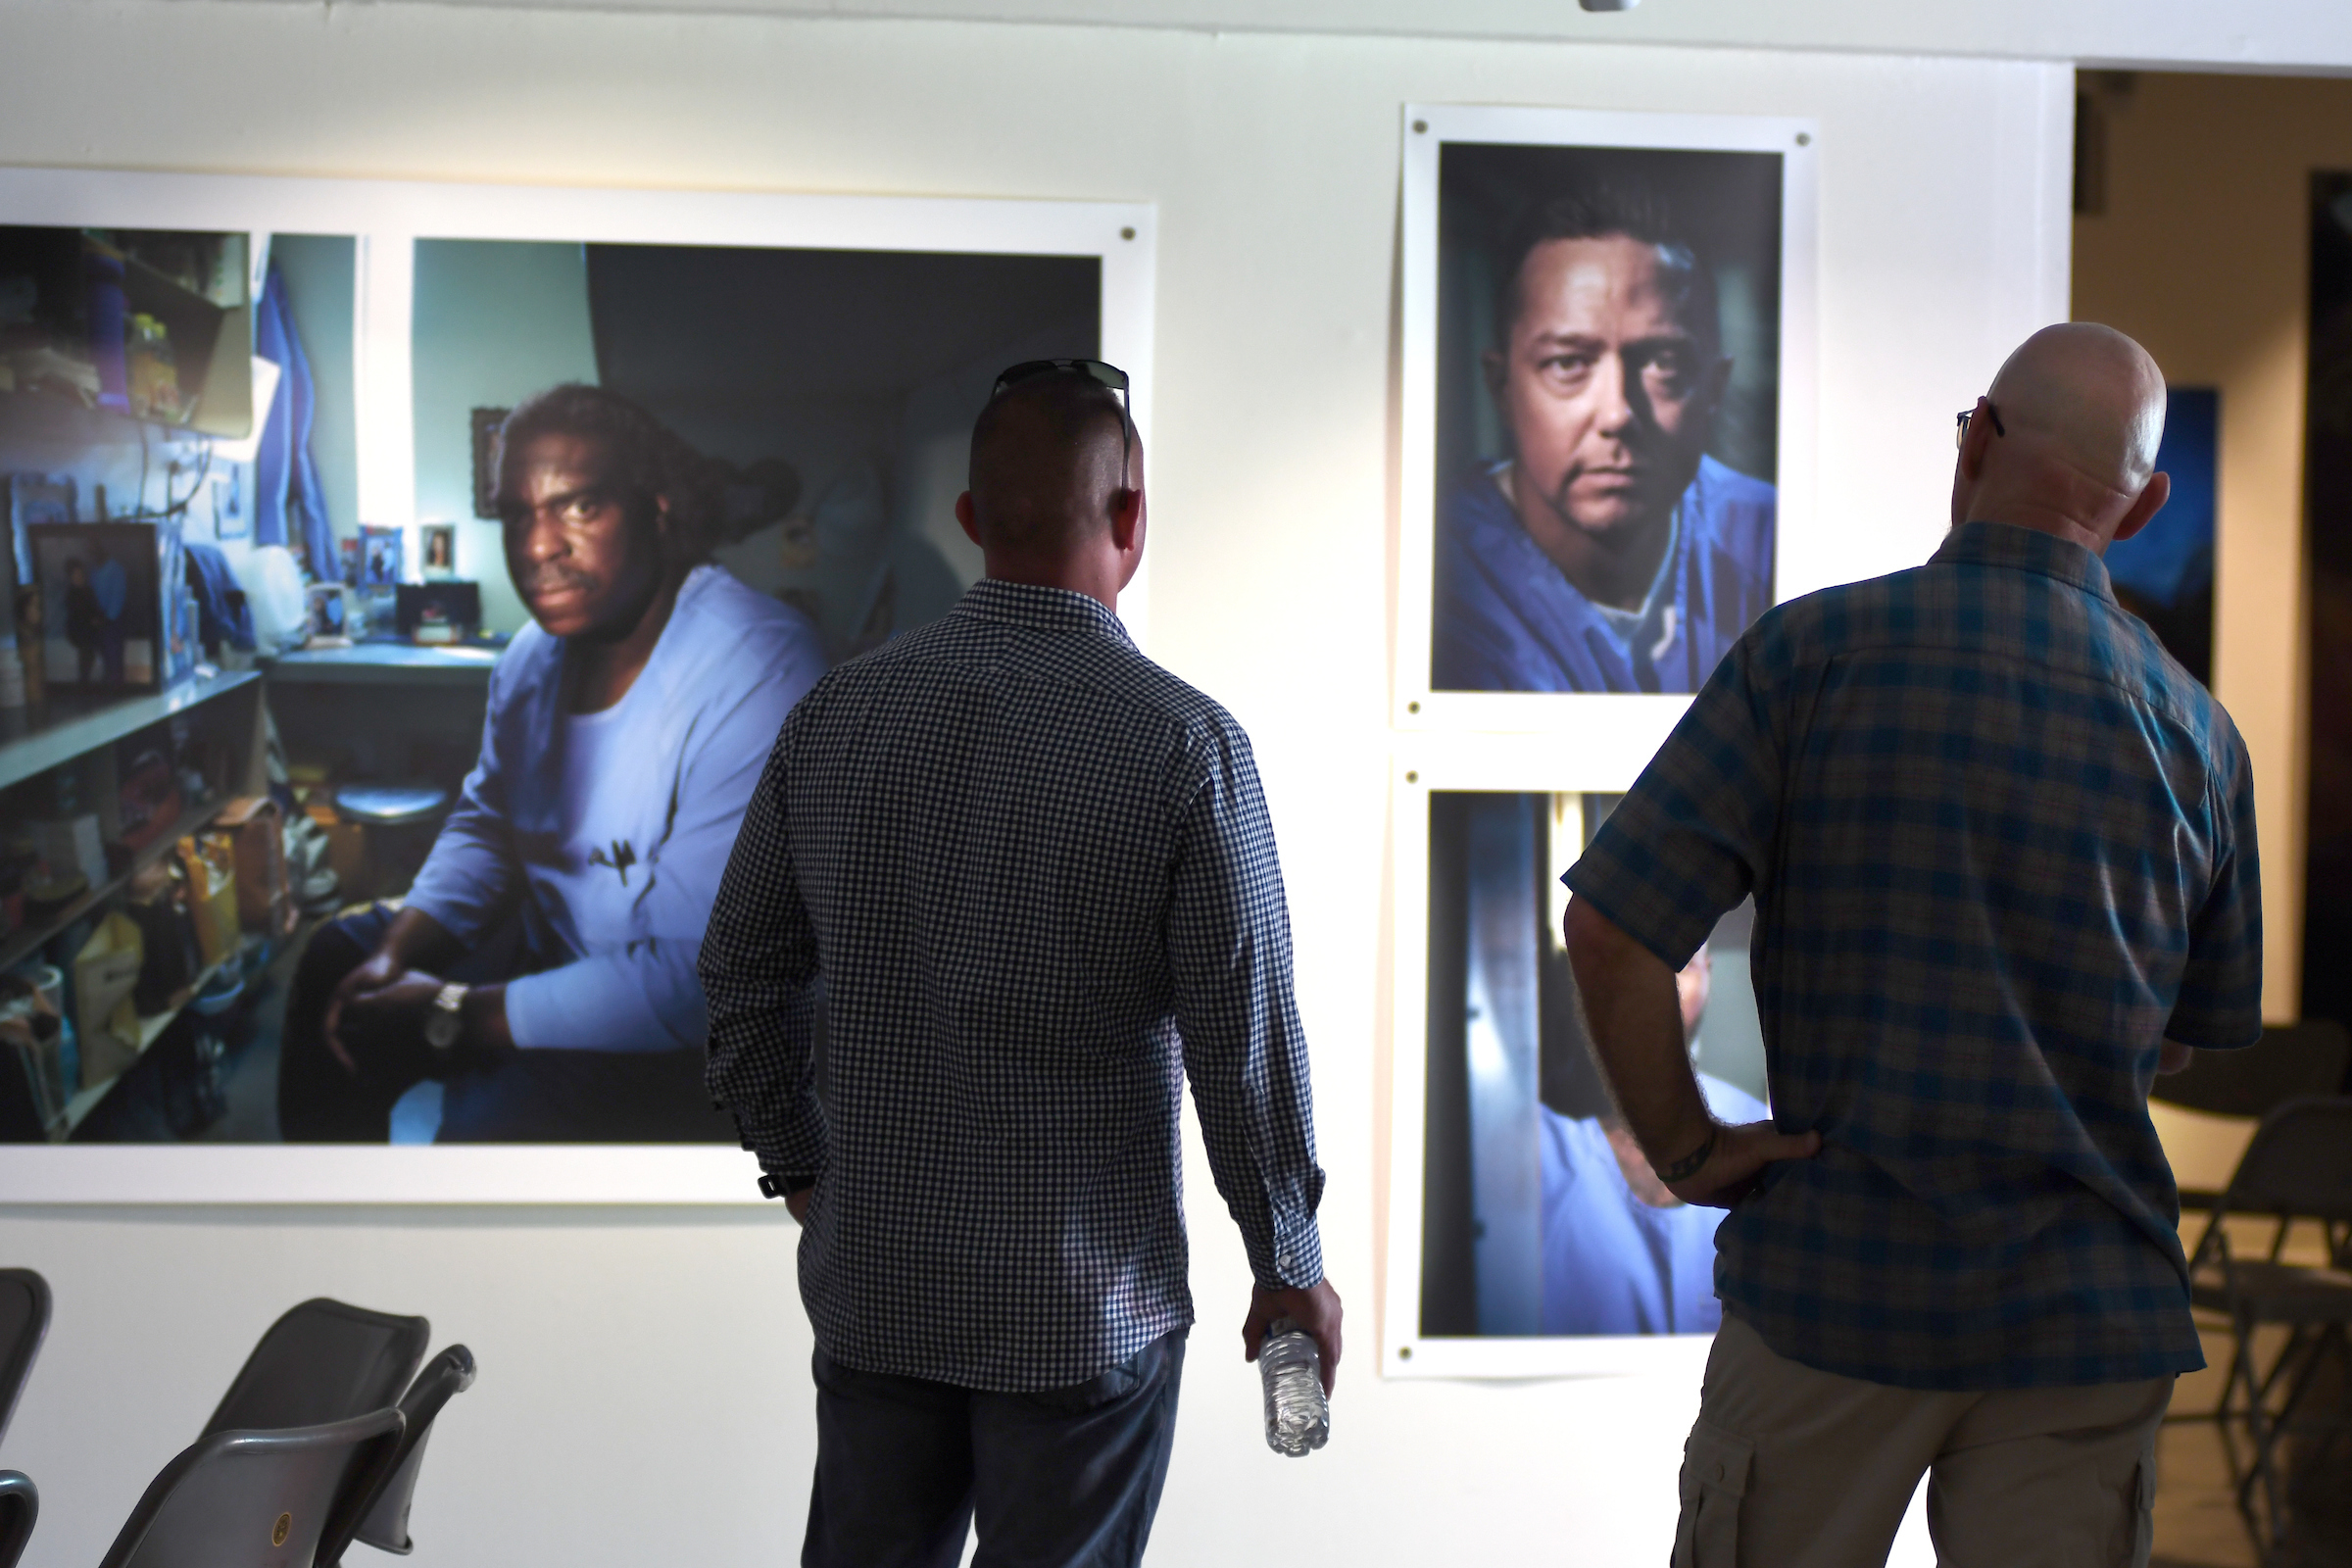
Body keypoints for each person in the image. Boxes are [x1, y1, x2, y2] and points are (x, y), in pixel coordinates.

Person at [1562, 322, 2260, 1567]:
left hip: (1838, 1286)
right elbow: (2182, 1047)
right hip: (2084, 1320)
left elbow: (1613, 928)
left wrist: (1686, 1148)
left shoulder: (1809, 657)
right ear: (2147, 506)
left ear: (1977, 438)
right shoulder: (2199, 738)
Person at [701, 360, 1340, 1568]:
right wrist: (1288, 1265)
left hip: (878, 1291)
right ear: (1131, 516)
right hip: (1081, 1315)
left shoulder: (838, 717)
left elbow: (738, 971)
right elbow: (1241, 1046)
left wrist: (806, 1174)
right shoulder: (1185, 748)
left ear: (973, 522)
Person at [277, 383, 825, 1143]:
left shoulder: (758, 668)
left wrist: (455, 1015)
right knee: (337, 959)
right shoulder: (532, 658)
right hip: (550, 948)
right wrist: (398, 954)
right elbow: (489, 826)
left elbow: (698, 981)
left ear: (657, 504)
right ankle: (327, 1228)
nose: (537, 547)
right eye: (516, 516)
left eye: (579, 506)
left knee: (478, 1148)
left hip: (685, 1035)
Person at [1434, 184, 1775, 694]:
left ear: (1714, 389)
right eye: (1567, 363)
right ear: (1501, 388)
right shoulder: (1436, 569)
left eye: (1663, 363)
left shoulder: (1766, 536)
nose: (1616, 413)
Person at [1541, 944, 1767, 1336]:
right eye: (1633, 960)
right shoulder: (1537, 1148)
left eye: (1682, 964)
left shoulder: (1757, 1125)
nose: (1657, 986)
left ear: (1708, 976)